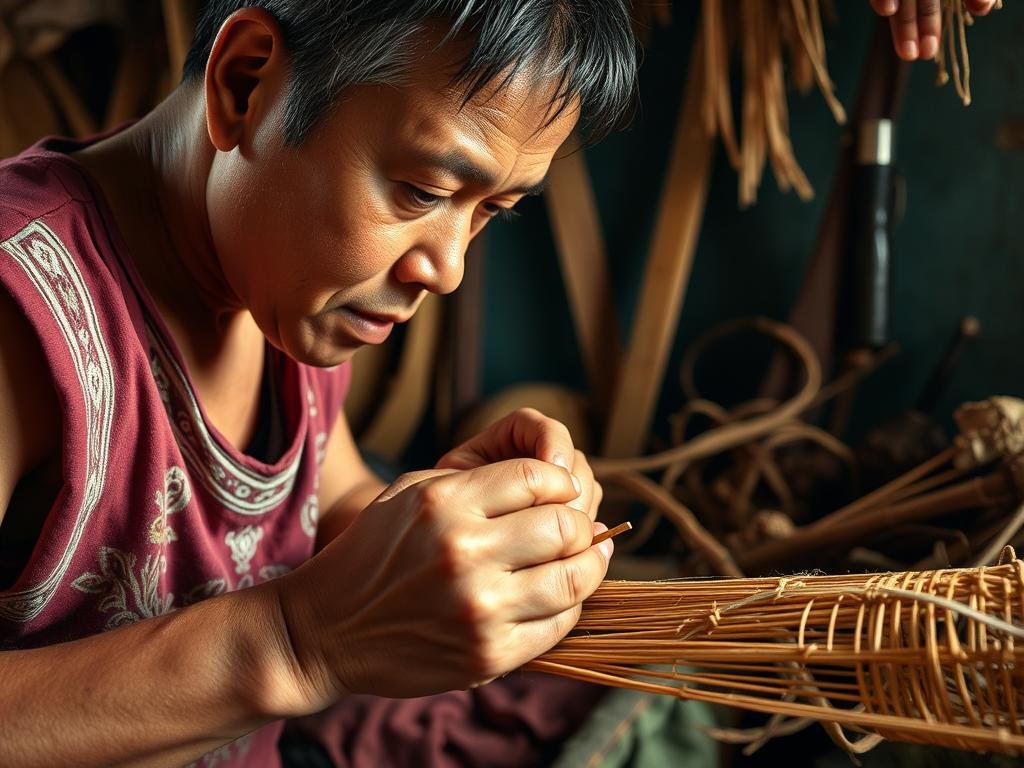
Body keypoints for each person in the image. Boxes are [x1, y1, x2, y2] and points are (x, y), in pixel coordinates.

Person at [0, 1, 999, 767]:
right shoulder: (23, 313)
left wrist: (450, 531)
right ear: (248, 82)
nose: (446, 265)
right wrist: (295, 643)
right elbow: (296, 628)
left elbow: (332, 503)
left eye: (493, 212)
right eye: (425, 191)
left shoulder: (271, 281)